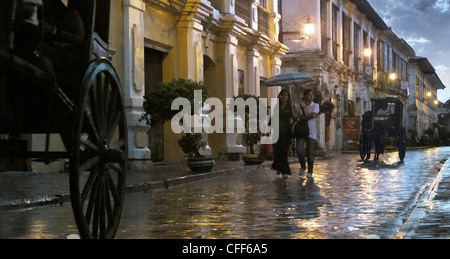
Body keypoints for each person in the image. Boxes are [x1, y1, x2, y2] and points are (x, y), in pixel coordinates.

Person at [271, 89, 298, 179]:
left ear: (288, 97)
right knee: (277, 151)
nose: (283, 97)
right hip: (276, 130)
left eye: (286, 95)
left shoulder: (290, 106)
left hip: (286, 131)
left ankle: (284, 171)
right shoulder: (277, 106)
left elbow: (295, 116)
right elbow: (273, 117)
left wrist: (292, 114)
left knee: (283, 151)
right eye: (282, 95)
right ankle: (279, 167)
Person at [296, 89, 319, 179]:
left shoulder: (315, 105)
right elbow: (297, 117)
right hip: (301, 131)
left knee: (310, 152)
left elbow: (313, 115)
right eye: (309, 95)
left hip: (311, 131)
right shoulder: (300, 106)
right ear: (305, 96)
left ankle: (310, 171)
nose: (311, 97)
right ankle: (302, 166)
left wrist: (304, 117)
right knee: (299, 150)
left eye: (312, 95)